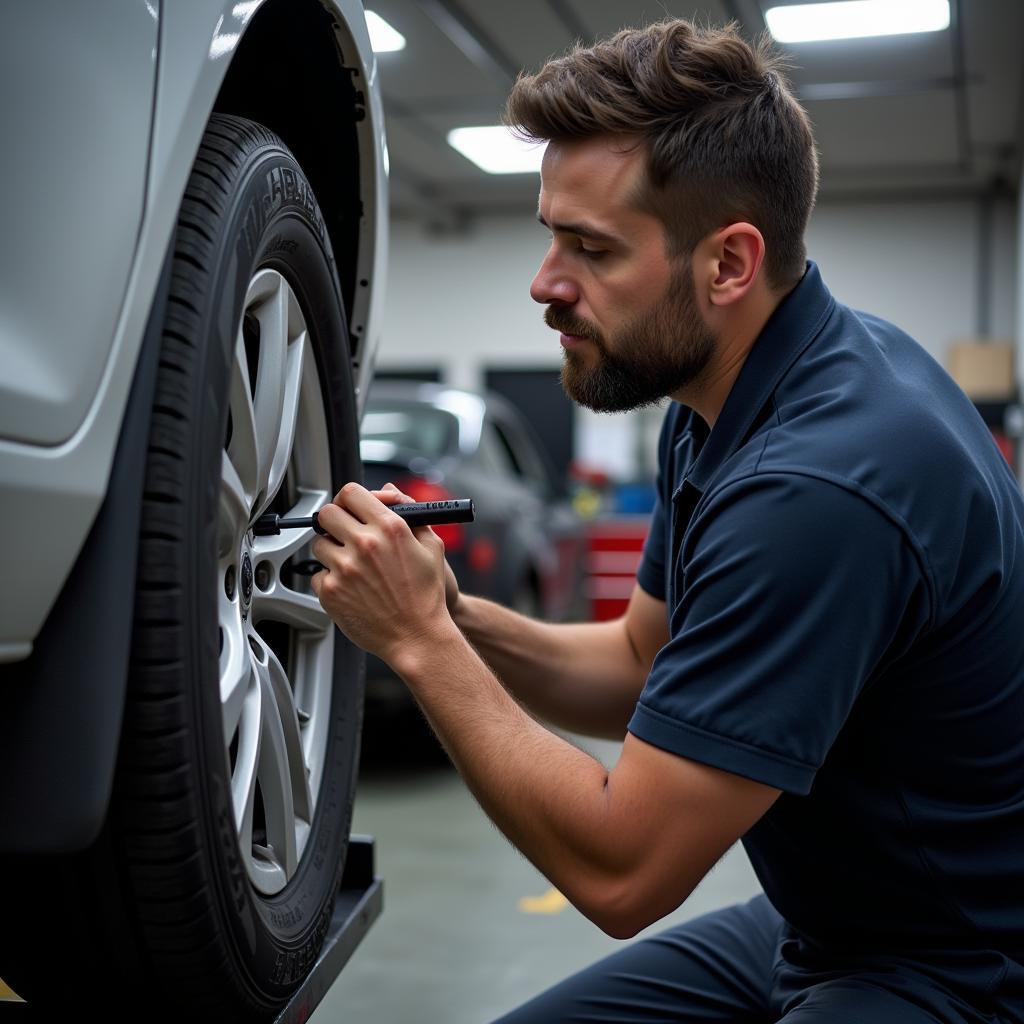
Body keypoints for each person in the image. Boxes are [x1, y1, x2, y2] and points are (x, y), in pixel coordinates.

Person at [311, 19, 1024, 1023]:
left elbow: (622, 870)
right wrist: (446, 607)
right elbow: (643, 662)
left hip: (955, 962)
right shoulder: (721, 397)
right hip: (819, 917)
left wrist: (419, 642)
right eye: (549, 234)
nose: (545, 283)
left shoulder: (815, 488)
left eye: (590, 248)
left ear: (728, 263)